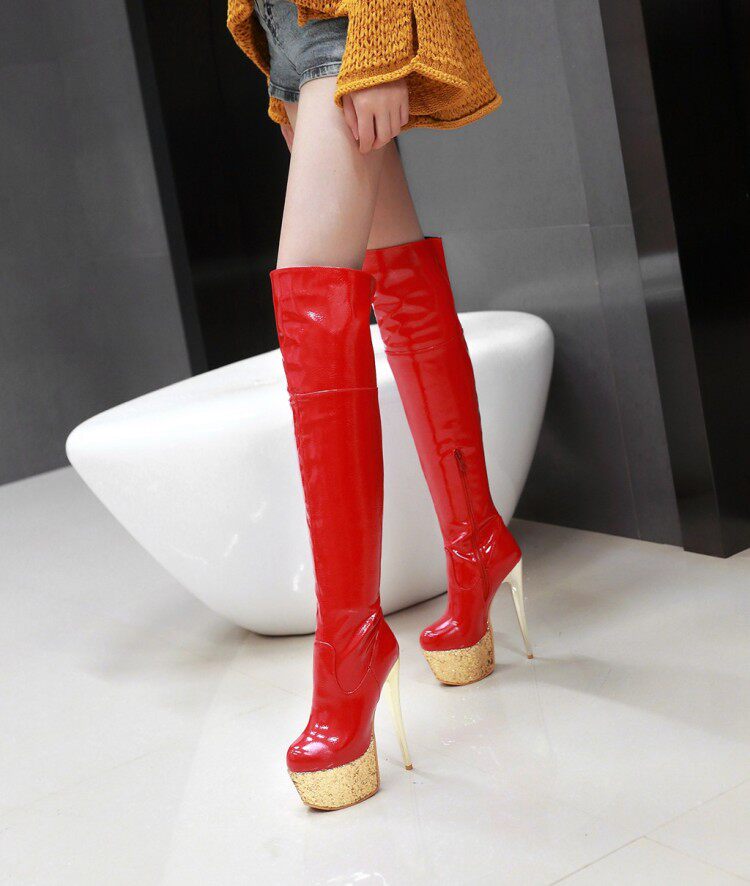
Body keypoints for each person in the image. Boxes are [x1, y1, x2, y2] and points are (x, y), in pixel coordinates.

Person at [227, 0, 532, 811]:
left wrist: (379, 31)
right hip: (291, 30)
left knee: (314, 299)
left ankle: (350, 648)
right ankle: (476, 543)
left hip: (343, 21)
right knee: (395, 269)